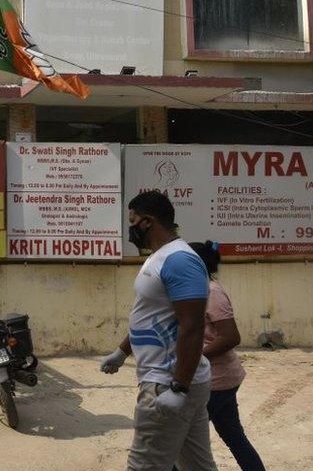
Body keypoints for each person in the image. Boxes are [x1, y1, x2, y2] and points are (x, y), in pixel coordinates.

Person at [100, 190, 218, 471]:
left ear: (148, 222)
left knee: (144, 466)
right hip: (171, 380)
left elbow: (192, 325)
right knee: (198, 467)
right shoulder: (159, 258)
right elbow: (152, 317)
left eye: (133, 220)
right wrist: (121, 351)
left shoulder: (179, 260)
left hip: (167, 383)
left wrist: (179, 387)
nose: (131, 228)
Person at [188, 241, 265, 471]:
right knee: (234, 437)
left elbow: (231, 337)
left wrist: (193, 356)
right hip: (220, 380)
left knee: (179, 442)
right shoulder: (198, 289)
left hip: (215, 382)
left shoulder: (210, 292)